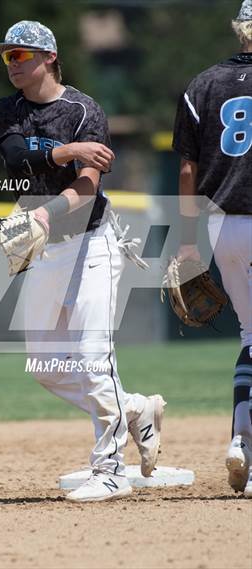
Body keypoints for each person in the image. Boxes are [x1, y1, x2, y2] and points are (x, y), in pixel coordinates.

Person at [0, 20, 166, 502]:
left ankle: (109, 468)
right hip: (47, 249)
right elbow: (15, 156)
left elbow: (88, 185)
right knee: (44, 365)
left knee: (92, 357)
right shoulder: (8, 109)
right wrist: (66, 151)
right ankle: (133, 409)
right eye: (7, 56)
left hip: (92, 243)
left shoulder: (84, 109)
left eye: (20, 55)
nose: (12, 64)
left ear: (49, 56)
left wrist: (46, 211)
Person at [173, 0, 252, 498]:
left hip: (225, 229)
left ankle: (241, 436)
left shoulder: (202, 85)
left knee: (250, 333)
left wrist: (185, 244)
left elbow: (187, 170)